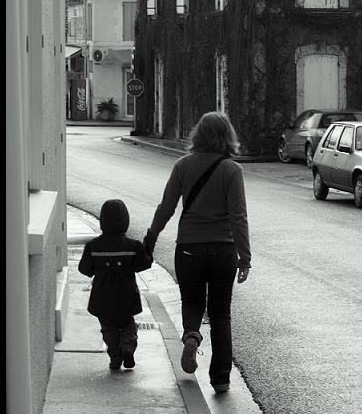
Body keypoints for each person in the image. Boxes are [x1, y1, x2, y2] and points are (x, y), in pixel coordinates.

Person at [143, 111, 251, 394]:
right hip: (223, 250)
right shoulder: (232, 170)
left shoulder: (182, 166)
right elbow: (238, 217)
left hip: (189, 248)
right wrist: (245, 257)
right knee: (220, 314)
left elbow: (166, 206)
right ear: (228, 136)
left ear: (198, 135)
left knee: (192, 302)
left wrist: (151, 237)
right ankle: (221, 379)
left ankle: (191, 335)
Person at [78, 199, 153, 370]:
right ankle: (128, 345)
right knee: (128, 323)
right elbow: (144, 263)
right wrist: (148, 247)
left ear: (102, 221)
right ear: (125, 221)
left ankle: (115, 357)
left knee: (108, 327)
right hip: (127, 297)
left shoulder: (93, 246)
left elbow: (85, 269)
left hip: (102, 298)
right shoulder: (133, 246)